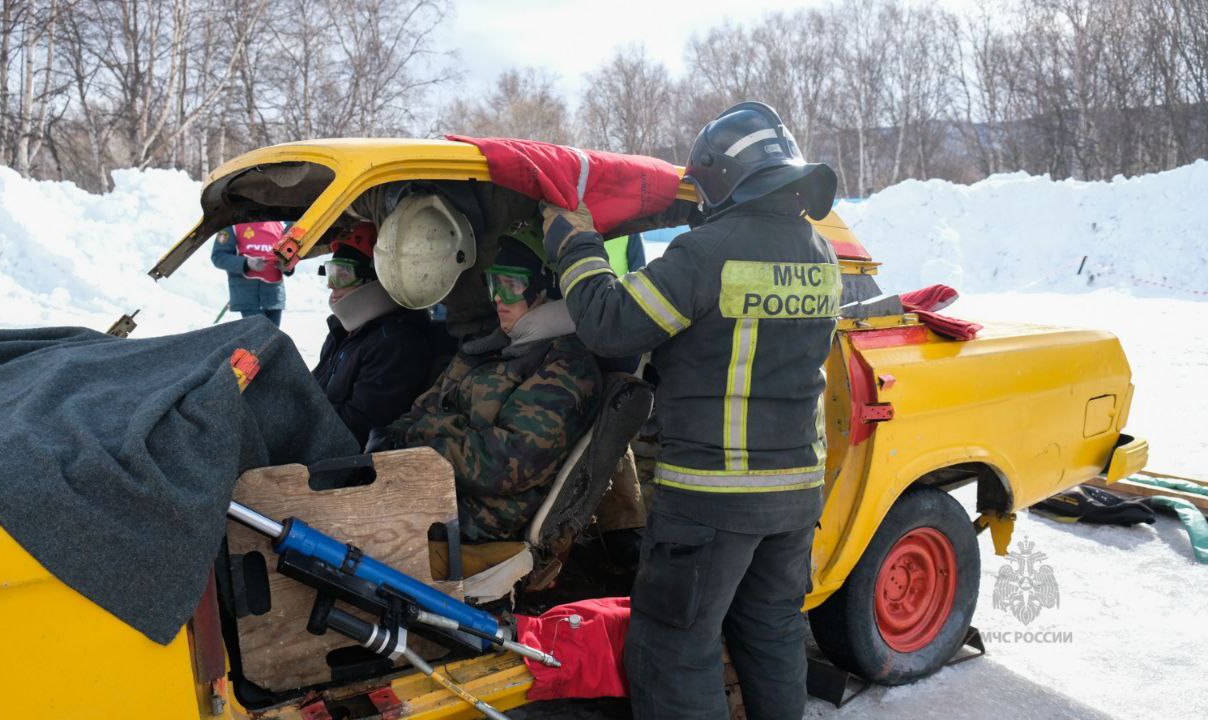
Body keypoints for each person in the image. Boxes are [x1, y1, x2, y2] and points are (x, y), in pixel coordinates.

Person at [541, 100, 840, 720]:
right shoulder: (820, 253)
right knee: (773, 631)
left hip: (714, 497)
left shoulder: (705, 253)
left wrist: (577, 245)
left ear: (722, 178)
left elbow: (610, 323)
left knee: (676, 645)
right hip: (796, 494)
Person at [369, 235, 602, 543]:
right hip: (432, 488)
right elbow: (424, 409)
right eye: (495, 284)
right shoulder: (486, 349)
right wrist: (392, 441)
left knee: (351, 524)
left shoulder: (567, 368)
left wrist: (416, 451)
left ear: (546, 290)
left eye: (512, 285)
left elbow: (508, 461)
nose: (498, 298)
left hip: (477, 518)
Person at [311, 223, 433, 448]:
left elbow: (359, 427)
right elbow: (314, 390)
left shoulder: (396, 343)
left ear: (376, 278)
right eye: (331, 272)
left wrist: (299, 425)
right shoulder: (343, 332)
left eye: (342, 275)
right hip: (316, 442)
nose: (330, 284)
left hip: (342, 460)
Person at [210, 221, 291, 325]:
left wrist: (286, 265)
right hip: (247, 296)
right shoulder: (233, 226)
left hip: (274, 297)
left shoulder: (281, 225)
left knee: (272, 338)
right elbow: (218, 256)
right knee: (259, 337)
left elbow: (291, 254)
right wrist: (246, 263)